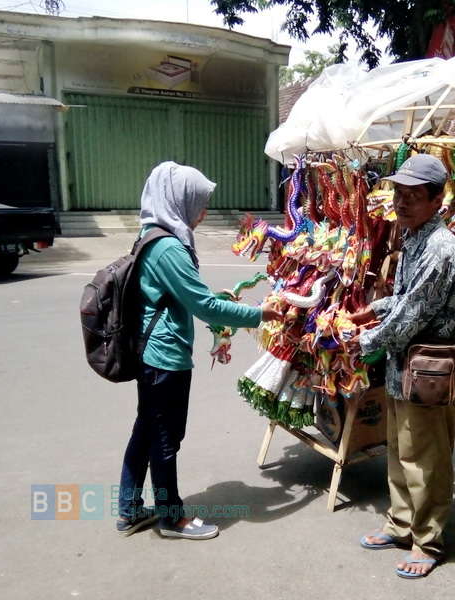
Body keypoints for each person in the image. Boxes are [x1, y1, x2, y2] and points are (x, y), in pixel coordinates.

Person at [116, 161, 279, 539]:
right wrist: (260, 314)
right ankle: (172, 518)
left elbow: (186, 299)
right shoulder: (168, 247)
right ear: (179, 200)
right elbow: (202, 305)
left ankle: (129, 509)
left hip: (152, 352)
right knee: (164, 439)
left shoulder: (152, 233)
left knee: (147, 431)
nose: (203, 212)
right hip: (164, 358)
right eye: (199, 202)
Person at [352, 154, 455, 578]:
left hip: (429, 369)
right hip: (404, 363)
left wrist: (366, 338)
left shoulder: (441, 247)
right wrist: (375, 308)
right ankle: (401, 524)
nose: (401, 203)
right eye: (398, 194)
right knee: (401, 450)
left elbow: (415, 313)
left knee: (426, 458)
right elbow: (404, 300)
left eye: (413, 196)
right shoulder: (414, 236)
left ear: (437, 200)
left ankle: (427, 540)